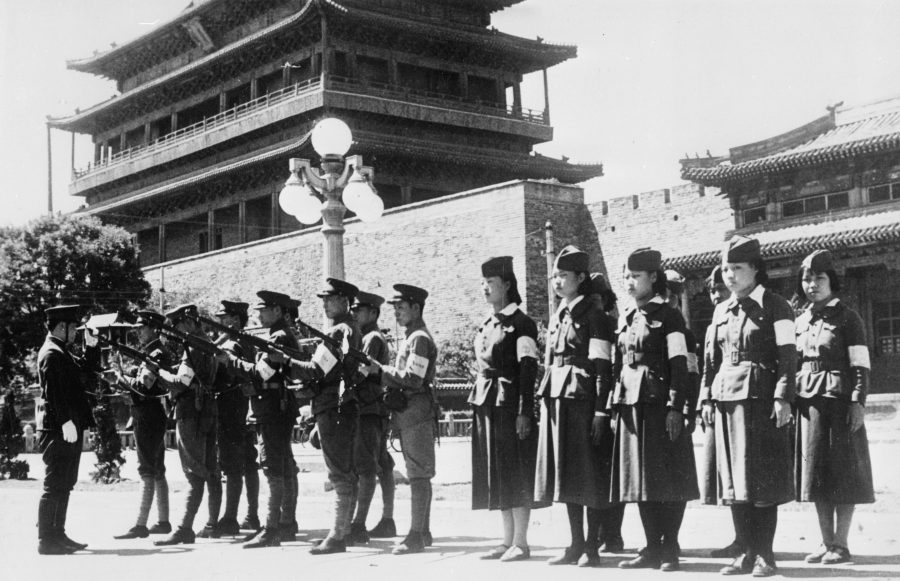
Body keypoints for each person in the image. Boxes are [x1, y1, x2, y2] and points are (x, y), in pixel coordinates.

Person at [701, 236, 797, 577]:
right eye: (726, 268)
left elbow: (788, 356)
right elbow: (711, 361)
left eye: (737, 268)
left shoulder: (776, 305)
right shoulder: (721, 309)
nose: (730, 275)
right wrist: (706, 399)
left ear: (756, 269)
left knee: (762, 480)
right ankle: (743, 551)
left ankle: (764, 555)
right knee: (734, 482)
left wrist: (783, 396)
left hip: (761, 401)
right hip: (726, 401)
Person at [611, 249, 699, 572]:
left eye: (636, 276)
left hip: (660, 406)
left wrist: (677, 406)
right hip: (631, 407)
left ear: (653, 278)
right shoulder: (627, 317)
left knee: (669, 478)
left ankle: (670, 546)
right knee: (641, 480)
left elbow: (679, 363)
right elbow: (619, 366)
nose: (630, 282)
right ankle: (651, 545)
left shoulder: (670, 316)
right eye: (627, 276)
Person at [534, 246, 618, 568]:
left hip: (584, 404)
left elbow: (602, 369)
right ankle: (575, 544)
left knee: (591, 478)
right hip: (560, 403)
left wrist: (601, 411)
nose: (557, 281)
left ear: (580, 278)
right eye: (554, 276)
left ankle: (592, 549)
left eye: (563, 276)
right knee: (567, 477)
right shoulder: (558, 317)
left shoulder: (594, 317)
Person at [792, 250, 874, 565]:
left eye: (819, 278)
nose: (812, 284)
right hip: (808, 405)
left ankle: (841, 543)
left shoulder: (848, 317)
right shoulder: (800, 321)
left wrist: (858, 401)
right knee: (816, 474)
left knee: (843, 473)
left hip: (840, 404)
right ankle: (826, 541)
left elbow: (860, 364)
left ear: (832, 281)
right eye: (807, 278)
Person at [278, 278, 362, 555]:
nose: (325, 304)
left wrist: (288, 361)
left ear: (344, 300)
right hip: (342, 404)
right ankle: (344, 531)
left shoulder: (340, 331)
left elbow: (316, 370)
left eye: (330, 299)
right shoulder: (351, 329)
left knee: (338, 473)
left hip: (332, 405)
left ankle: (338, 535)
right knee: (345, 471)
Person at [470, 256, 544, 562]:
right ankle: (506, 539)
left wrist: (525, 411)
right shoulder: (488, 324)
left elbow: (528, 370)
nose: (485, 289)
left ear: (507, 286)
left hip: (510, 404)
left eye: (491, 283)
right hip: (487, 403)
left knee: (515, 470)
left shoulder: (521, 324)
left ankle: (521, 541)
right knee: (497, 470)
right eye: (484, 283)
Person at [359, 284, 439, 555]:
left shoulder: (419, 339)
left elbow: (413, 379)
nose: (396, 313)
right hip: (411, 411)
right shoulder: (413, 336)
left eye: (401, 308)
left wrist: (379, 370)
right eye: (394, 309)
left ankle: (416, 535)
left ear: (416, 308)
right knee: (419, 473)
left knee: (417, 474)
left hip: (414, 411)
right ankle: (423, 531)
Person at [228, 290, 301, 549]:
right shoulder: (278, 334)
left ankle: (272, 528)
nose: (258, 314)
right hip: (274, 407)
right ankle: (286, 523)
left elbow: (261, 375)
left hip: (272, 408)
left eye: (264, 309)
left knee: (272, 468)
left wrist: (232, 362)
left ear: (278, 311)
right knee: (283, 465)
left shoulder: (279, 337)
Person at [154, 304, 221, 546]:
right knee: (211, 470)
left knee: (194, 471)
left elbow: (181, 382)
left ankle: (185, 528)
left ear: (190, 323)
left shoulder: (192, 346)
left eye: (178, 325)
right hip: (207, 410)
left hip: (192, 411)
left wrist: (158, 372)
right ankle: (212, 523)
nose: (175, 330)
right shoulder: (206, 343)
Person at [35, 305, 95, 555]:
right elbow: (54, 393)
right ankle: (46, 540)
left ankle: (58, 534)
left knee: (65, 482)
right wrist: (65, 421)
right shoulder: (51, 353)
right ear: (62, 327)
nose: (76, 333)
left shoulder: (61, 351)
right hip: (59, 429)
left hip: (67, 427)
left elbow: (85, 373)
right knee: (54, 484)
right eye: (74, 328)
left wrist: (92, 348)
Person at [113, 310, 174, 539]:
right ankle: (163, 521)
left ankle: (140, 525)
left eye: (142, 327)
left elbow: (143, 386)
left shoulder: (156, 353)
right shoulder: (150, 352)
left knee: (147, 469)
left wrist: (119, 378)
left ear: (154, 328)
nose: (138, 331)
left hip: (147, 415)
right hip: (150, 413)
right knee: (157, 469)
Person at [205, 300, 260, 537]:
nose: (220, 322)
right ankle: (251, 515)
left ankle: (229, 518)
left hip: (228, 409)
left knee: (231, 466)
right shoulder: (244, 343)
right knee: (247, 463)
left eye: (224, 318)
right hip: (241, 408)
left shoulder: (232, 345)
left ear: (235, 321)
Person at [699, 266, 744, 558]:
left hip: (741, 399)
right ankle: (740, 537)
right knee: (725, 475)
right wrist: (705, 399)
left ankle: (751, 539)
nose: (716, 294)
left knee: (744, 473)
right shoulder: (716, 320)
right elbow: (708, 365)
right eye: (712, 290)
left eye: (720, 289)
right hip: (719, 399)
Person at [348, 290, 393, 544]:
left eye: (359, 310)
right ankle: (387, 519)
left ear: (373, 313)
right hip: (372, 409)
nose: (354, 314)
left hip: (368, 409)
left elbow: (361, 373)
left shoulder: (371, 338)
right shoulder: (367, 336)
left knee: (365, 467)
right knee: (381, 464)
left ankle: (359, 524)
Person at [589, 272, 626, 554]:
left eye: (597, 299)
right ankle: (601, 533)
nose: (593, 304)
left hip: (609, 405)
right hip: (588, 405)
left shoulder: (611, 326)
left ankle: (612, 534)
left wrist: (606, 409)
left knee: (609, 473)